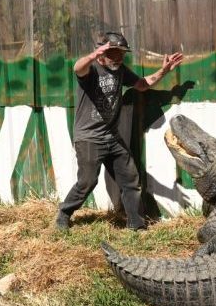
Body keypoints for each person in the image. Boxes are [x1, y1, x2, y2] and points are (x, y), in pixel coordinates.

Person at [56, 31, 184, 231]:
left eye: (122, 53)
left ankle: (136, 225)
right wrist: (92, 55)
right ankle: (64, 213)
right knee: (87, 182)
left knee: (130, 181)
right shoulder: (91, 70)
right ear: (102, 53)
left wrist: (164, 71)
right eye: (115, 53)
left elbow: (142, 84)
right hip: (89, 138)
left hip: (113, 138)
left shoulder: (120, 70)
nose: (120, 57)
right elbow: (77, 68)